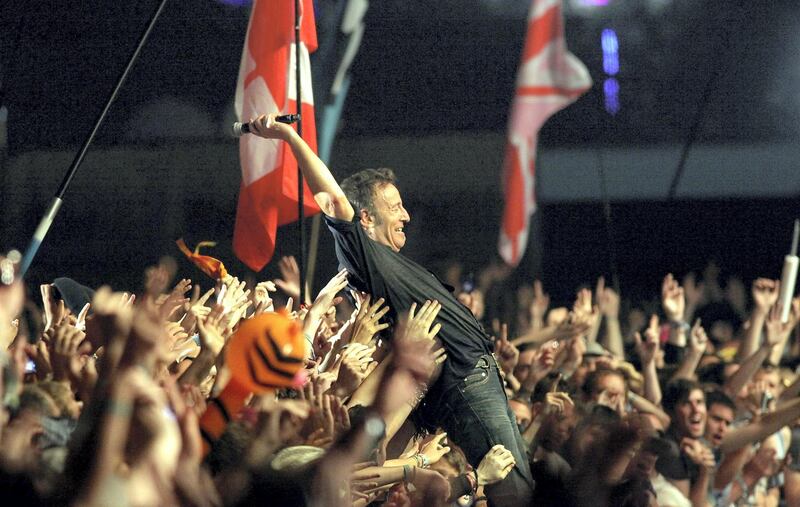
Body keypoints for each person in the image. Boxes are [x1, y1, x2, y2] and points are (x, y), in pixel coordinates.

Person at [247, 113, 535, 506]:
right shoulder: (366, 258)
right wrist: (288, 135)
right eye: (395, 207)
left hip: (464, 377)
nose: (406, 216)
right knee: (515, 491)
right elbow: (331, 198)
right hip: (463, 380)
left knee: (521, 482)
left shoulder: (386, 264)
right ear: (365, 218)